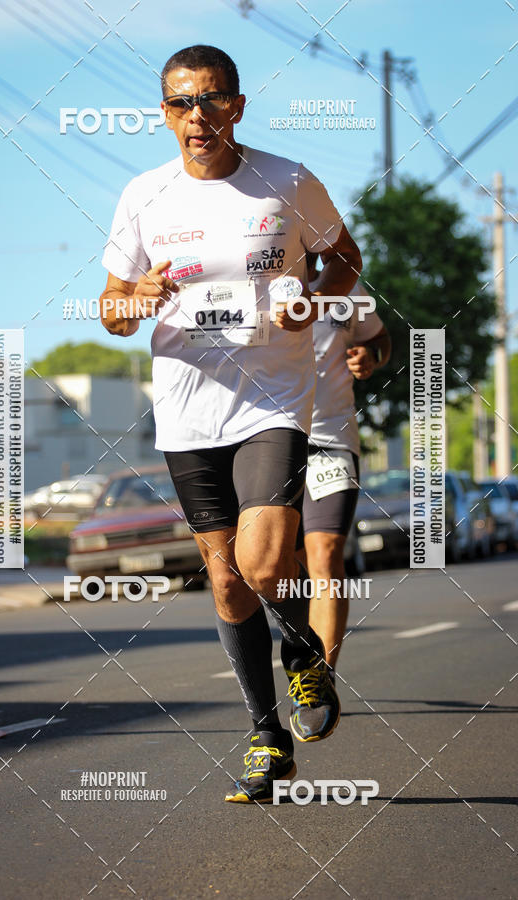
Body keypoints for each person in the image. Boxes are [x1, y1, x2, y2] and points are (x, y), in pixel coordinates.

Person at [99, 44, 362, 803]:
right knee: (223, 582)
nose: (197, 118)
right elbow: (112, 309)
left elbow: (344, 259)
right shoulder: (144, 197)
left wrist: (311, 299)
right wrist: (135, 297)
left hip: (273, 399)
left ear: (238, 107)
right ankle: (264, 731)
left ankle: (306, 655)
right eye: (182, 104)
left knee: (263, 561)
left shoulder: (285, 181)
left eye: (212, 101)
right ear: (164, 114)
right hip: (186, 410)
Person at [285, 259, 390, 744]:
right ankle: (301, 656)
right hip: (266, 443)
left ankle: (320, 680)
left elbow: (379, 339)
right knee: (282, 566)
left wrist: (371, 357)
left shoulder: (347, 289)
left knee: (326, 557)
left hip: (331, 441)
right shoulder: (249, 283)